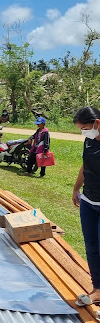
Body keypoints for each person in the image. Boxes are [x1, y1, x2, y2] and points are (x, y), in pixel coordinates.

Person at [73, 107, 100, 307]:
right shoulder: (89, 141)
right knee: (91, 248)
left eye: (85, 128)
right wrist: (76, 189)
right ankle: (97, 289)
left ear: (97, 123)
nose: (84, 132)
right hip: (89, 202)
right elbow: (85, 166)